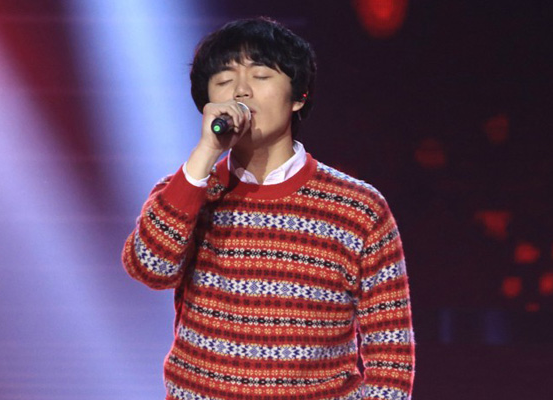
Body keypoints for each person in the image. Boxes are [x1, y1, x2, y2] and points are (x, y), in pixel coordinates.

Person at [122, 16, 415, 400]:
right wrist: (205, 155)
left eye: (260, 76)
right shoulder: (187, 192)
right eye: (224, 81)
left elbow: (391, 354)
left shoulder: (359, 209)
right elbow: (150, 268)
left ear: (299, 96)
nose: (241, 90)